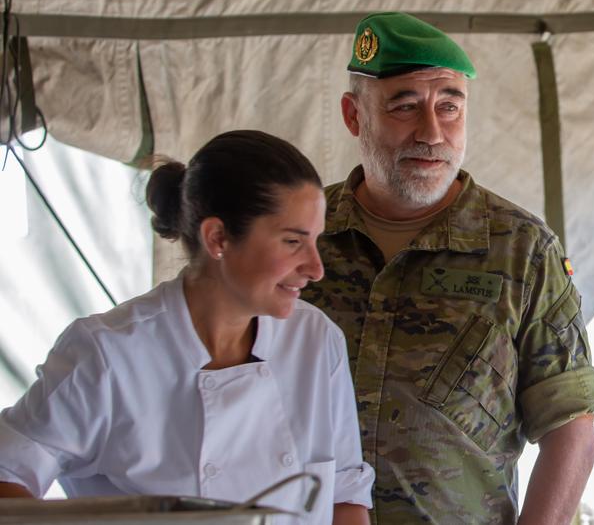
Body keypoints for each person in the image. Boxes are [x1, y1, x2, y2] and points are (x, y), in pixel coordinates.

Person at [301, 12, 594, 525]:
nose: (432, 131)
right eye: (405, 106)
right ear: (354, 116)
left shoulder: (521, 249)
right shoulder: (303, 234)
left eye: (450, 106)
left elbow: (570, 431)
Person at [0, 130, 374, 524]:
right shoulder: (107, 354)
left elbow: (343, 498)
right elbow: (7, 475)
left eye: (315, 240)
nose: (316, 268)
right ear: (217, 238)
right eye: (293, 242)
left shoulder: (315, 340)